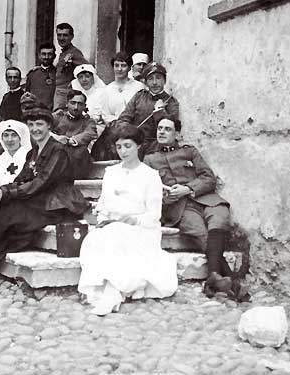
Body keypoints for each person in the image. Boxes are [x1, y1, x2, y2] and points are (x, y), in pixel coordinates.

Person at [0, 106, 90, 288]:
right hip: (39, 198)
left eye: (40, 124)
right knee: (1, 204)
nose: (35, 129)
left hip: (57, 203)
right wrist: (0, 191)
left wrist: (6, 193)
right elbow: (22, 178)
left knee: (11, 211)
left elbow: (42, 182)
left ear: (49, 126)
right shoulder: (34, 152)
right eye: (31, 125)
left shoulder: (58, 151)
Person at [78, 125, 178, 315]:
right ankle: (110, 290)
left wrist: (132, 220)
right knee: (96, 238)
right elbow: (104, 203)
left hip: (142, 228)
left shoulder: (150, 176)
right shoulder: (111, 172)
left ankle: (112, 293)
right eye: (119, 147)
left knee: (119, 236)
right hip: (113, 225)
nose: (123, 151)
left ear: (139, 146)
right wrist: (103, 217)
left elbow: (153, 214)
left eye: (128, 146)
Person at [143, 118, 238, 298]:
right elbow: (147, 191)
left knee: (219, 218)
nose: (161, 132)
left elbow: (209, 178)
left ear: (177, 134)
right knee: (200, 233)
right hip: (180, 208)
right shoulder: (149, 160)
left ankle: (214, 279)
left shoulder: (189, 152)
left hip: (205, 198)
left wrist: (188, 188)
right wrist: (165, 197)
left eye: (167, 129)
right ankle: (229, 279)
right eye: (159, 128)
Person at [117, 62, 179, 152]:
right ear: (146, 82)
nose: (154, 83)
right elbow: (123, 119)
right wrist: (129, 134)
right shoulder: (139, 96)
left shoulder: (171, 102)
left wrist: (160, 111)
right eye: (150, 79)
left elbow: (171, 129)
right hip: (135, 143)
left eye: (158, 78)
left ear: (164, 81)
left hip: (157, 147)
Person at [92, 52, 144, 160]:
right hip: (114, 128)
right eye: (117, 65)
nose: (119, 69)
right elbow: (106, 114)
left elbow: (141, 109)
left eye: (123, 65)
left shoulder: (138, 87)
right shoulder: (108, 89)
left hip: (133, 126)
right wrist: (116, 124)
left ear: (129, 68)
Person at [53, 23, 88, 112]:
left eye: (65, 35)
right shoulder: (64, 53)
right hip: (57, 94)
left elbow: (87, 70)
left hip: (64, 95)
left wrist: (74, 83)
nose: (61, 38)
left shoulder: (74, 53)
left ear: (71, 37)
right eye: (59, 35)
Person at [0, 120, 32, 186]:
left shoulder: (30, 158)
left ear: (20, 138)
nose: (9, 139)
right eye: (6, 135)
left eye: (14, 135)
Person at [25, 42, 57, 111]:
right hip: (34, 113)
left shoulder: (58, 74)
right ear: (39, 55)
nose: (46, 57)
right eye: (44, 54)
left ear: (54, 56)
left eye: (49, 54)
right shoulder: (32, 74)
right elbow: (27, 95)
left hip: (51, 113)